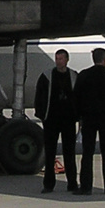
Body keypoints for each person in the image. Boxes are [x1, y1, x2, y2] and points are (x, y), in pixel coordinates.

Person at [73, 47, 105, 195]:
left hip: (88, 118)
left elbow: (76, 98)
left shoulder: (84, 75)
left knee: (87, 153)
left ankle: (86, 186)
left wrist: (81, 115)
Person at [34, 49, 78, 193]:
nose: (59, 61)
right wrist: (42, 115)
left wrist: (78, 115)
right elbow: (39, 96)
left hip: (68, 120)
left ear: (67, 60)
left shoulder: (73, 76)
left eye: (61, 59)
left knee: (69, 152)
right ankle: (48, 184)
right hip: (51, 119)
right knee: (50, 153)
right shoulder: (47, 76)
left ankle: (72, 183)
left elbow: (79, 96)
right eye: (57, 59)